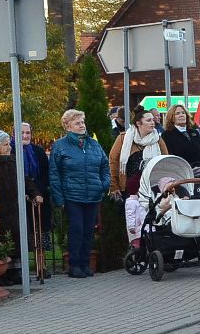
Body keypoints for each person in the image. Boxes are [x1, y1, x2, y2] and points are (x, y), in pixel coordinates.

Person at [49, 109, 110, 278]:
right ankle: (74, 265)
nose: (82, 125)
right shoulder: (60, 145)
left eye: (82, 122)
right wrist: (59, 197)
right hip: (72, 196)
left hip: (93, 194)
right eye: (77, 123)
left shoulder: (93, 144)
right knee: (77, 229)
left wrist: (103, 185)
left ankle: (85, 264)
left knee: (89, 230)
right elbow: (54, 173)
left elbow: (105, 166)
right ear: (67, 126)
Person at [0, 128, 42, 286]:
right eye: (5, 144)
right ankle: (2, 274)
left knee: (18, 239)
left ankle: (16, 272)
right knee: (3, 240)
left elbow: (25, 180)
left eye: (8, 144)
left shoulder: (12, 160)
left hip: (15, 208)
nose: (9, 147)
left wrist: (35, 193)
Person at [109, 107, 167, 249]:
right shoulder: (123, 138)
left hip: (152, 187)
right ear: (138, 124)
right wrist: (114, 186)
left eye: (153, 120)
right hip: (131, 188)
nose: (152, 123)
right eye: (148, 120)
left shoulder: (157, 139)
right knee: (134, 221)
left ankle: (153, 248)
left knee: (153, 219)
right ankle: (137, 249)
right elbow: (113, 162)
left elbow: (165, 162)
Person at [18, 122, 52, 254]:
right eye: (22, 133)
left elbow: (45, 173)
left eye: (28, 133)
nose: (25, 136)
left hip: (39, 196)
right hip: (20, 197)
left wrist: (36, 192)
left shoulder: (38, 151)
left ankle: (41, 263)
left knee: (40, 231)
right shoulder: (11, 150)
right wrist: (26, 193)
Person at [161, 103, 200, 168]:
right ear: (171, 118)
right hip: (181, 170)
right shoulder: (167, 135)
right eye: (177, 113)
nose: (181, 115)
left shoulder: (195, 132)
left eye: (183, 113)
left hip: (199, 168)